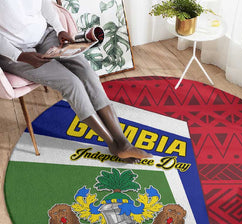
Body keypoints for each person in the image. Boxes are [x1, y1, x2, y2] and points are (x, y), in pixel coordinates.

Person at [0, 0, 152, 162]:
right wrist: (20, 56)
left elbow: (45, 4)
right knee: (71, 83)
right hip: (14, 52)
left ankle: (123, 142)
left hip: (45, 36)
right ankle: (113, 145)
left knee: (87, 72)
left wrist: (60, 30)